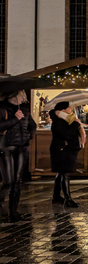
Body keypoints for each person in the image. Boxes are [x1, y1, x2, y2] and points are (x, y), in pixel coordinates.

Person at [0, 91, 37, 220]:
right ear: (13, 96)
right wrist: (14, 119)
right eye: (21, 95)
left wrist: (29, 135)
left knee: (17, 180)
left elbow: (32, 125)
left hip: (22, 147)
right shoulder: (3, 109)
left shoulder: (25, 109)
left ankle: (13, 211)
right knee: (8, 181)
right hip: (7, 147)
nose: (23, 98)